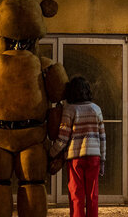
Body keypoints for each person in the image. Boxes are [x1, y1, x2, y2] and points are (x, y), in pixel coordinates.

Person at [48, 75, 106, 217]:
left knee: (76, 194)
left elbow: (63, 137)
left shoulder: (70, 110)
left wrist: (51, 153)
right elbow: (102, 137)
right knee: (93, 194)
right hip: (94, 157)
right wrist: (102, 159)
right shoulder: (96, 109)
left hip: (75, 158)